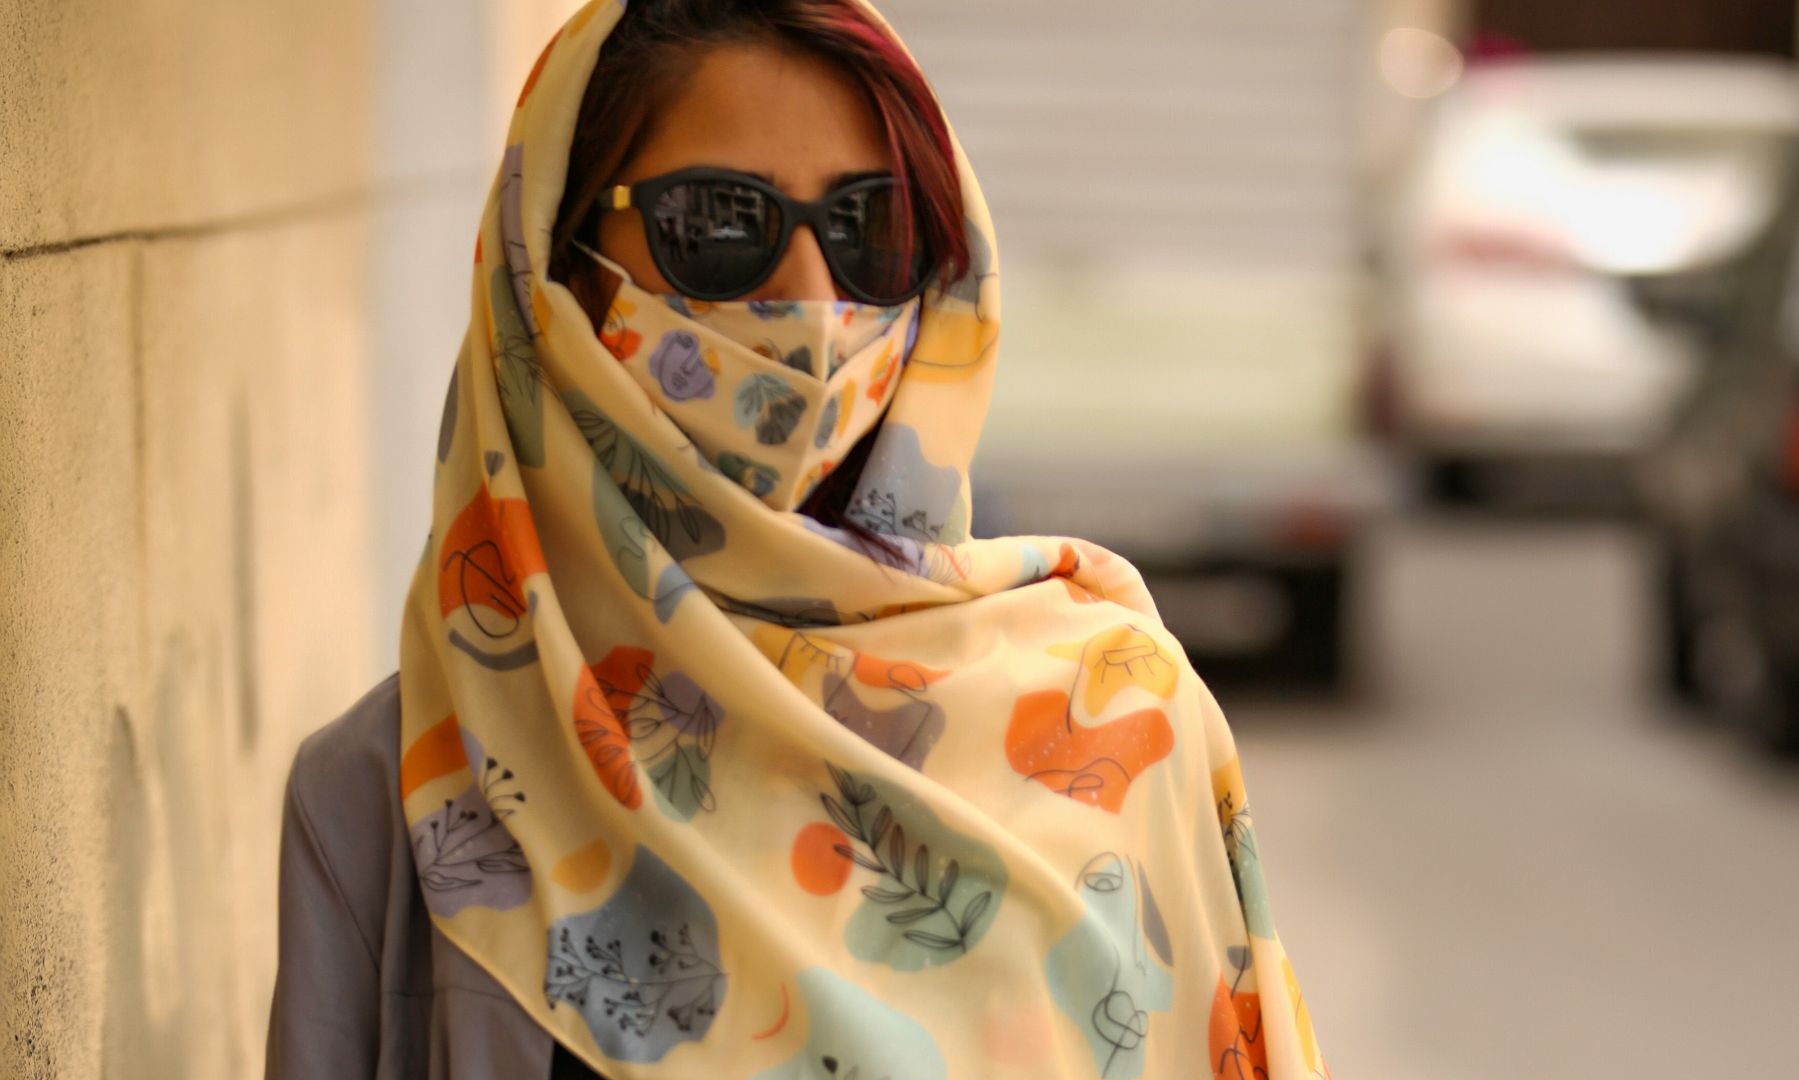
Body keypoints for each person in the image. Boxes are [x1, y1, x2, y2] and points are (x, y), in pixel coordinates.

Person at [265, 1, 1329, 1077]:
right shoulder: (396, 797)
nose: (813, 308)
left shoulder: (1118, 715)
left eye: (874, 230)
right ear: (559, 269)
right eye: (721, 225)